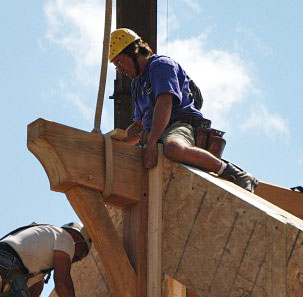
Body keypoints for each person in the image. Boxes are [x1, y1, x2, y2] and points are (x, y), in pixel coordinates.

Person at [109, 28, 258, 192]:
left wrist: (151, 143)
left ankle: (236, 174)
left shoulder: (160, 66)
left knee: (173, 148)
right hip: (155, 134)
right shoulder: (137, 84)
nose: (120, 70)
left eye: (120, 63)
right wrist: (112, 147)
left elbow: (165, 103)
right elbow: (138, 126)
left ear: (134, 51)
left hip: (179, 125)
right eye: (116, 66)